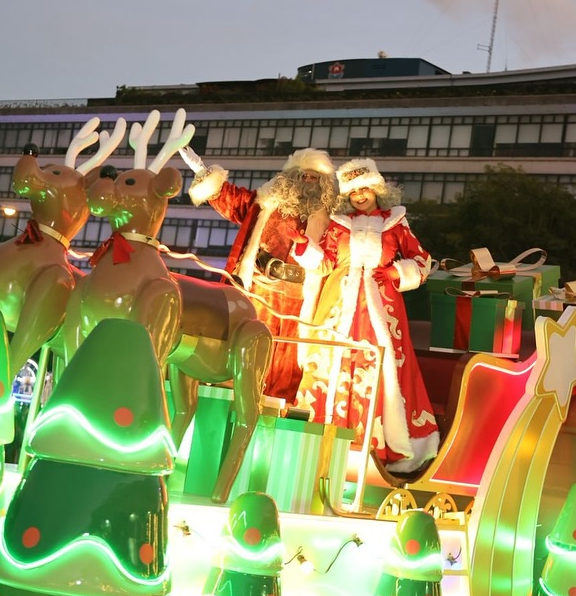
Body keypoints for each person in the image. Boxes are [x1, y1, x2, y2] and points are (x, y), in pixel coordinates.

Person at [293, 158, 439, 474]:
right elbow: (325, 263)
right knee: (330, 366)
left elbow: (423, 261)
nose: (359, 196)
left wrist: (397, 272)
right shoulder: (339, 224)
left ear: (376, 189)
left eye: (364, 189)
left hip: (382, 310)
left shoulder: (396, 223)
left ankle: (378, 445)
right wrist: (305, 246)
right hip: (337, 307)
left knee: (381, 370)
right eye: (354, 192)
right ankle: (320, 440)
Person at [180, 146, 338, 401]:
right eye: (303, 175)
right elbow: (229, 198)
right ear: (291, 177)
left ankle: (276, 405)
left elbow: (332, 261)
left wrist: (307, 249)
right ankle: (233, 396)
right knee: (246, 344)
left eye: (314, 177)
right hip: (258, 290)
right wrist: (202, 172)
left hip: (297, 300)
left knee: (285, 360)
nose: (308, 181)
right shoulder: (264, 203)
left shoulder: (332, 221)